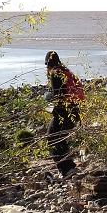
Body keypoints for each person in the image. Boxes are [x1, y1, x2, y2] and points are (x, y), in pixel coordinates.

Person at [44, 51, 82, 179]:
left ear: (48, 64)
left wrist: (49, 100)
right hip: (74, 111)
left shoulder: (55, 73)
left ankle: (65, 170)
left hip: (63, 113)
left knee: (52, 139)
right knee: (61, 140)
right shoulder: (66, 72)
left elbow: (59, 96)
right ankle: (70, 167)